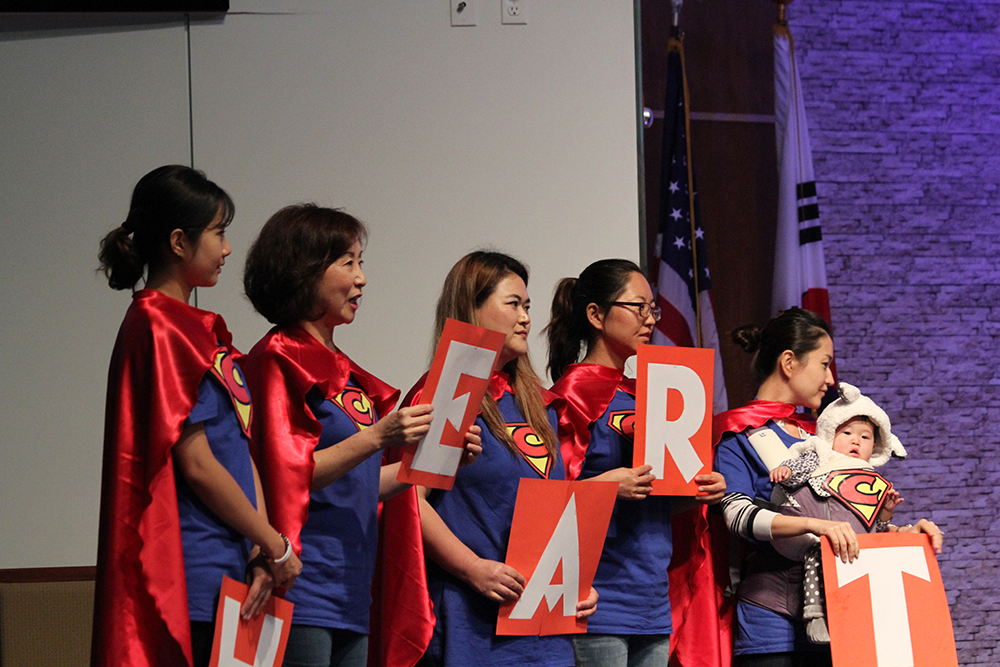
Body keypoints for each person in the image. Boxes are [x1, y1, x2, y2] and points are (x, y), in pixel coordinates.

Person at [242, 204, 478, 667]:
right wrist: (377, 436)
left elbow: (359, 485)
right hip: (298, 584)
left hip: (351, 588)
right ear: (304, 270)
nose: (361, 279)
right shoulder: (278, 358)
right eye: (347, 263)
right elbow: (282, 476)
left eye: (361, 262)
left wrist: (435, 460)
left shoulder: (347, 374)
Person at [92, 165, 301, 667]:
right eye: (218, 232)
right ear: (179, 242)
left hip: (237, 564)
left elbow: (238, 445)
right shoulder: (158, 325)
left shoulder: (196, 328)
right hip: (195, 573)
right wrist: (274, 544)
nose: (227, 249)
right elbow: (198, 462)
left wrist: (261, 549)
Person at [713, 307, 942, 667]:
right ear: (789, 363)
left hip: (844, 613)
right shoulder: (737, 434)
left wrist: (904, 534)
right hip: (770, 620)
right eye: (824, 364)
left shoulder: (828, 436)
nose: (830, 378)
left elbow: (851, 520)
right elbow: (738, 517)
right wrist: (814, 525)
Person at [411, 251, 598, 667]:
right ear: (472, 308)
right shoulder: (451, 392)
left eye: (528, 306)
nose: (526, 318)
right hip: (472, 624)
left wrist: (575, 582)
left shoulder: (538, 403)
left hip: (543, 629)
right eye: (513, 304)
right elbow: (410, 500)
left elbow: (553, 509)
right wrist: (473, 568)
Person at [545, 258, 726, 667]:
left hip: (651, 598)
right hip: (596, 597)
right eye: (638, 307)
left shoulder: (651, 394)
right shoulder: (570, 396)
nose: (650, 319)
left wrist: (697, 491)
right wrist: (610, 486)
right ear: (596, 315)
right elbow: (547, 501)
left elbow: (656, 499)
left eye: (653, 308)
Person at [768, 382, 939, 644]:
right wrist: (787, 471)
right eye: (847, 432)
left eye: (865, 437)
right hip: (816, 538)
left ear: (877, 446)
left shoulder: (872, 482)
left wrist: (886, 513)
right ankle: (815, 615)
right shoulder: (821, 456)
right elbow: (797, 469)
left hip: (856, 550)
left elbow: (874, 531)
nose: (856, 440)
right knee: (817, 559)